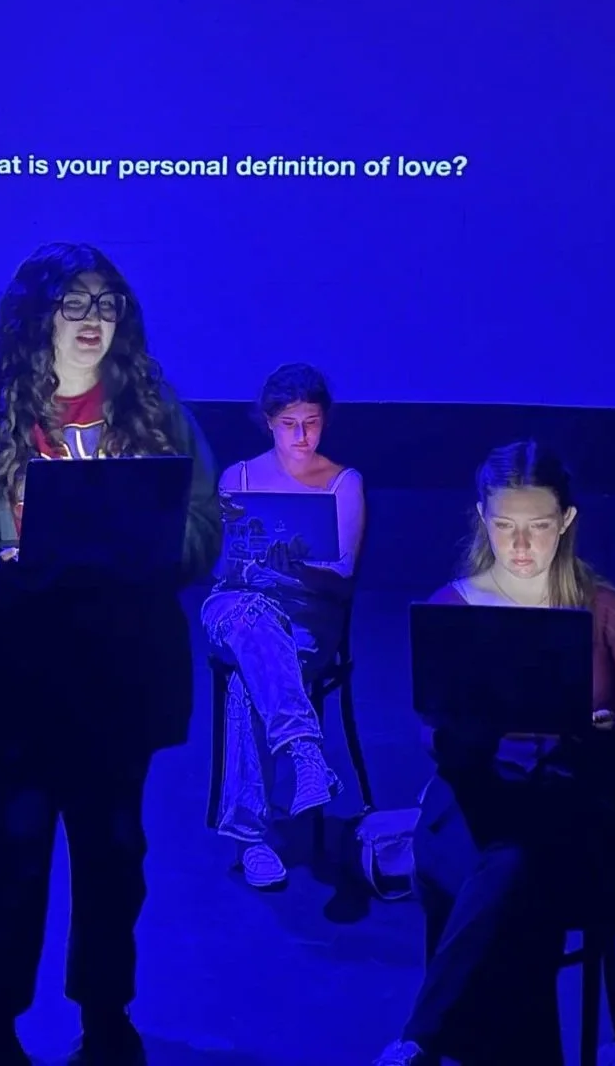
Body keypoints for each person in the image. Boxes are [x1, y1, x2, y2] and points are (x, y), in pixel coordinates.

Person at [0, 242, 221, 1066]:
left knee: (114, 852)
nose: (94, 321)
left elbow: (201, 525)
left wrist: (156, 553)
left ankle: (105, 1017)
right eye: (74, 304)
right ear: (36, 313)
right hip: (16, 672)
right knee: (13, 849)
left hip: (120, 674)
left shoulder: (155, 410)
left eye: (107, 304)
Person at [376, 441, 615, 1066]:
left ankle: (420, 1041)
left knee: (519, 867)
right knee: (507, 866)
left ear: (565, 520)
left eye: (538, 526)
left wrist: (595, 731)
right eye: (505, 525)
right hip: (472, 805)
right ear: (482, 517)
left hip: (573, 811)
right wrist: (470, 734)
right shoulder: (455, 607)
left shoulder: (607, 611)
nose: (521, 545)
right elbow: (435, 737)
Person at [201, 363, 366, 888]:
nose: (301, 435)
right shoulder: (239, 478)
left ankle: (251, 841)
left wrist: (298, 568)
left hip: (306, 620)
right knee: (250, 617)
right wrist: (255, 564)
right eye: (290, 423)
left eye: (312, 423)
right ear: (269, 422)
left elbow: (343, 583)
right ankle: (304, 751)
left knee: (252, 680)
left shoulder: (344, 483)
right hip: (237, 606)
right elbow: (218, 570)